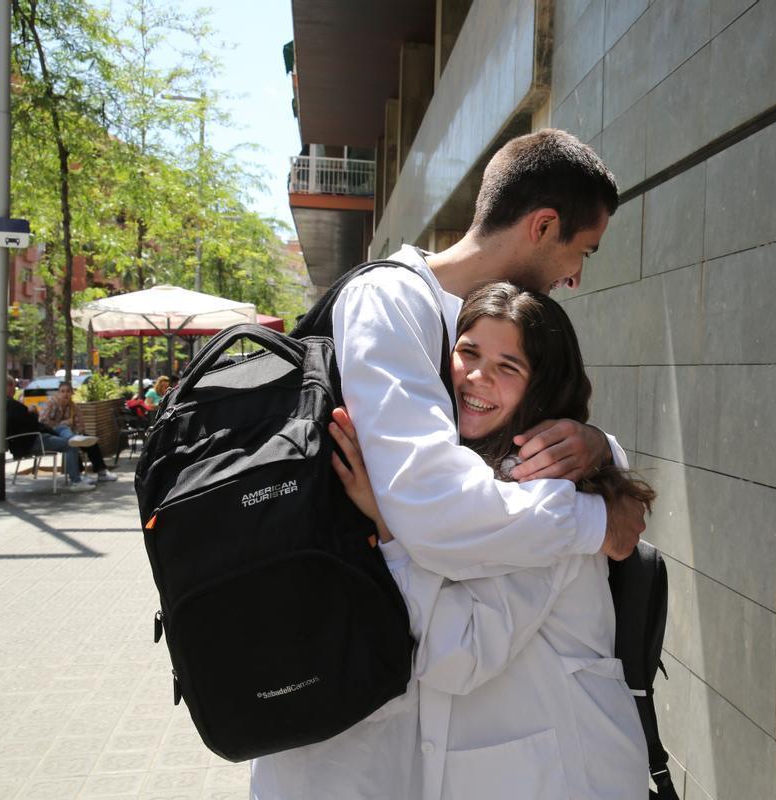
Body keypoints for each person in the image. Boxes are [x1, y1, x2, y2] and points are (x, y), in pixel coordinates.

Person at [250, 129, 646, 797]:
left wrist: (602, 452)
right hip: (341, 712)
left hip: (416, 718)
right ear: (543, 225)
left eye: (505, 367)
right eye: (580, 252)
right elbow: (438, 513)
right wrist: (594, 518)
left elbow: (519, 454)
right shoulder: (393, 304)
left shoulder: (470, 320)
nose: (576, 276)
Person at [333, 283, 653, 799]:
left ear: (542, 387)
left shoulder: (537, 487)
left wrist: (389, 528)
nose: (478, 378)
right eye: (468, 352)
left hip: (566, 773)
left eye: (510, 367)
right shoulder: (464, 473)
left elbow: (459, 655)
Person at [4, 376, 112, 491]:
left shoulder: (73, 407)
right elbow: (37, 422)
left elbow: (80, 424)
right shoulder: (13, 405)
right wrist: (33, 413)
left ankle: (98, 471)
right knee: (70, 443)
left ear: (72, 393)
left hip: (38, 437)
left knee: (84, 440)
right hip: (36, 438)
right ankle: (76, 480)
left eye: (68, 391)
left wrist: (77, 429)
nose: (65, 394)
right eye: (62, 391)